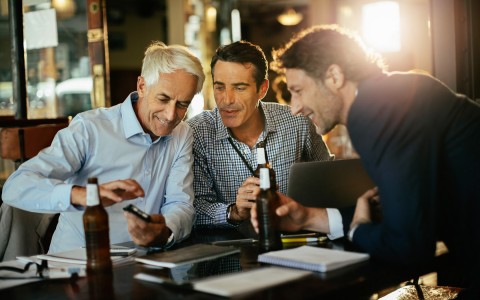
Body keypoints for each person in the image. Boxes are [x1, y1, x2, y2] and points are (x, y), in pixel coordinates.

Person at [250, 24, 480, 296]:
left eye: (298, 90)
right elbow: (400, 215)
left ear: (334, 76)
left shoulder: (376, 112)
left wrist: (359, 232)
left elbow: (409, 246)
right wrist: (307, 218)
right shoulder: (388, 95)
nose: (295, 107)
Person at [2, 41, 205, 253]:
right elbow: (16, 185)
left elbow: (180, 204)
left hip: (146, 262)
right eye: (163, 99)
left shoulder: (182, 134)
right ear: (142, 86)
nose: (171, 115)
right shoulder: (90, 128)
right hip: (76, 263)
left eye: (182, 104)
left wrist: (164, 232)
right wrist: (87, 195)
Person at [187, 40, 332, 228]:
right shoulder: (197, 132)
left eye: (239, 88)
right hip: (229, 250)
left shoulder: (297, 123)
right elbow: (192, 209)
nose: (227, 100)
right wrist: (233, 212)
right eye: (220, 87)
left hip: (295, 243)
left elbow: (329, 182)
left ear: (262, 89)